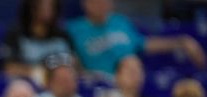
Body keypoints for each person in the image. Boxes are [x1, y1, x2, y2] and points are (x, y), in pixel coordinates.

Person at [66, 0, 206, 75]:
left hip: (132, 79)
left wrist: (181, 42)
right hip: (99, 85)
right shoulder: (73, 29)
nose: (102, 4)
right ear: (85, 3)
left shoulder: (119, 21)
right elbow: (71, 61)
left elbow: (143, 44)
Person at [0, 0, 74, 82]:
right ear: (31, 7)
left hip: (63, 87)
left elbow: (76, 66)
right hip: (27, 86)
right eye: (42, 4)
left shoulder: (62, 36)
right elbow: (9, 68)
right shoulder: (16, 34)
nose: (47, 8)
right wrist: (38, 73)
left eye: (51, 4)